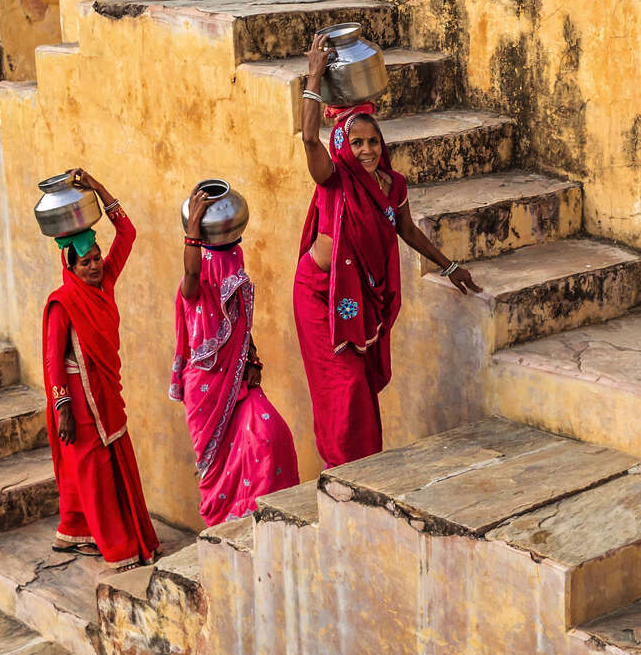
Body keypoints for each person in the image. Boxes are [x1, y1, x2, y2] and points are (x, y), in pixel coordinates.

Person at [293, 33, 482, 469]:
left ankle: (365, 469)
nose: (365, 150)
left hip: (361, 297)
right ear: (344, 146)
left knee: (360, 389)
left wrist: (450, 266)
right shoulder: (334, 178)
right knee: (343, 391)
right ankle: (344, 475)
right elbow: (308, 138)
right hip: (320, 296)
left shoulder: (392, 185)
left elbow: (409, 231)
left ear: (383, 145)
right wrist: (315, 75)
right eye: (356, 142)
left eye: (372, 142)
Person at [42, 169, 159, 570]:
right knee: (91, 472)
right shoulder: (62, 303)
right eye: (86, 263)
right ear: (69, 266)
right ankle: (118, 547)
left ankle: (80, 532)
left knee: (106, 467)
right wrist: (62, 408)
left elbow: (127, 233)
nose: (94, 266)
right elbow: (52, 360)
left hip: (106, 391)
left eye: (96, 259)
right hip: (80, 400)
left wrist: (99, 189)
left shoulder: (105, 283)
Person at [171, 189, 300, 526]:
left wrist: (252, 355)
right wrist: (194, 231)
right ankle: (226, 528)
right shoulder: (192, 290)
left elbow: (237, 320)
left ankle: (263, 522)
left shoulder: (234, 275)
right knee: (218, 474)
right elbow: (193, 275)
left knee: (272, 437)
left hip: (239, 379)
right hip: (206, 390)